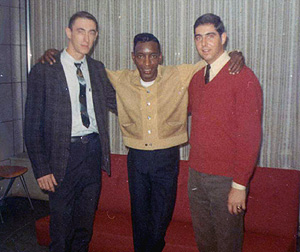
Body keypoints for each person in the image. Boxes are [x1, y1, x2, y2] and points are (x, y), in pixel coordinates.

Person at [40, 33, 244, 252]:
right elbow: (86, 69)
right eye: (141, 56)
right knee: (139, 220)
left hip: (166, 159)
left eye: (153, 56)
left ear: (160, 57)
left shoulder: (178, 74)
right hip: (137, 160)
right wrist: (55, 56)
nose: (147, 63)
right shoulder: (120, 78)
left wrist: (233, 55)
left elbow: (212, 61)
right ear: (133, 57)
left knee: (159, 222)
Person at [24, 11, 116, 252]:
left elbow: (117, 101)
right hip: (62, 157)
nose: (86, 38)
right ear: (68, 32)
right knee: (61, 229)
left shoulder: (97, 69)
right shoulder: (45, 70)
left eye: (91, 32)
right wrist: (41, 169)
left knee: (85, 226)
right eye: (80, 31)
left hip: (92, 153)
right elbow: (32, 125)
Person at [188, 13, 262, 252]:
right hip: (196, 176)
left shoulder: (243, 77)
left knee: (228, 244)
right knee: (205, 243)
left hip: (226, 180)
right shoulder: (197, 79)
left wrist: (239, 186)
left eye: (210, 36)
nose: (204, 43)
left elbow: (250, 137)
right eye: (198, 38)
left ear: (223, 38)